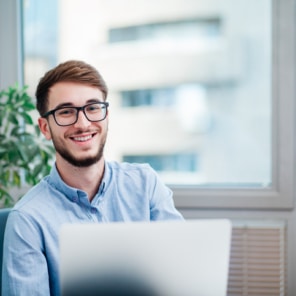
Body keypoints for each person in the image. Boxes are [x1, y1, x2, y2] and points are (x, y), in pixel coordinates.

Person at [2, 60, 183, 295]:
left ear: (106, 115)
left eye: (93, 107)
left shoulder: (146, 184)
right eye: (66, 112)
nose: (83, 123)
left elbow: (181, 278)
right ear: (45, 128)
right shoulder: (27, 220)